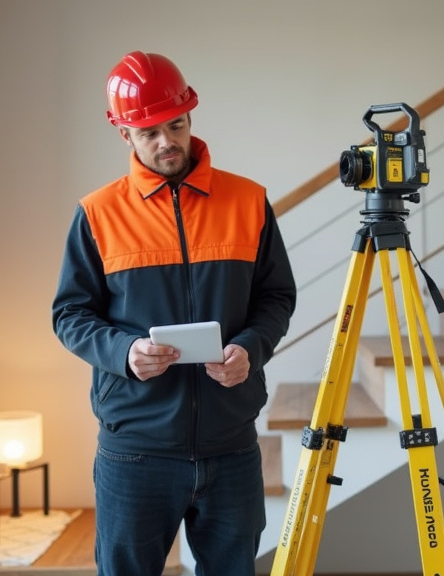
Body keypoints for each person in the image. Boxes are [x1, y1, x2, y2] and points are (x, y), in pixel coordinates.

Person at [51, 51, 296, 576]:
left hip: (231, 447)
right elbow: (70, 314)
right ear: (124, 133)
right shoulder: (97, 213)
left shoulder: (249, 201)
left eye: (176, 125)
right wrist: (125, 352)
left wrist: (250, 350)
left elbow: (276, 297)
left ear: (189, 116)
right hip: (135, 452)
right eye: (149, 132)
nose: (167, 141)